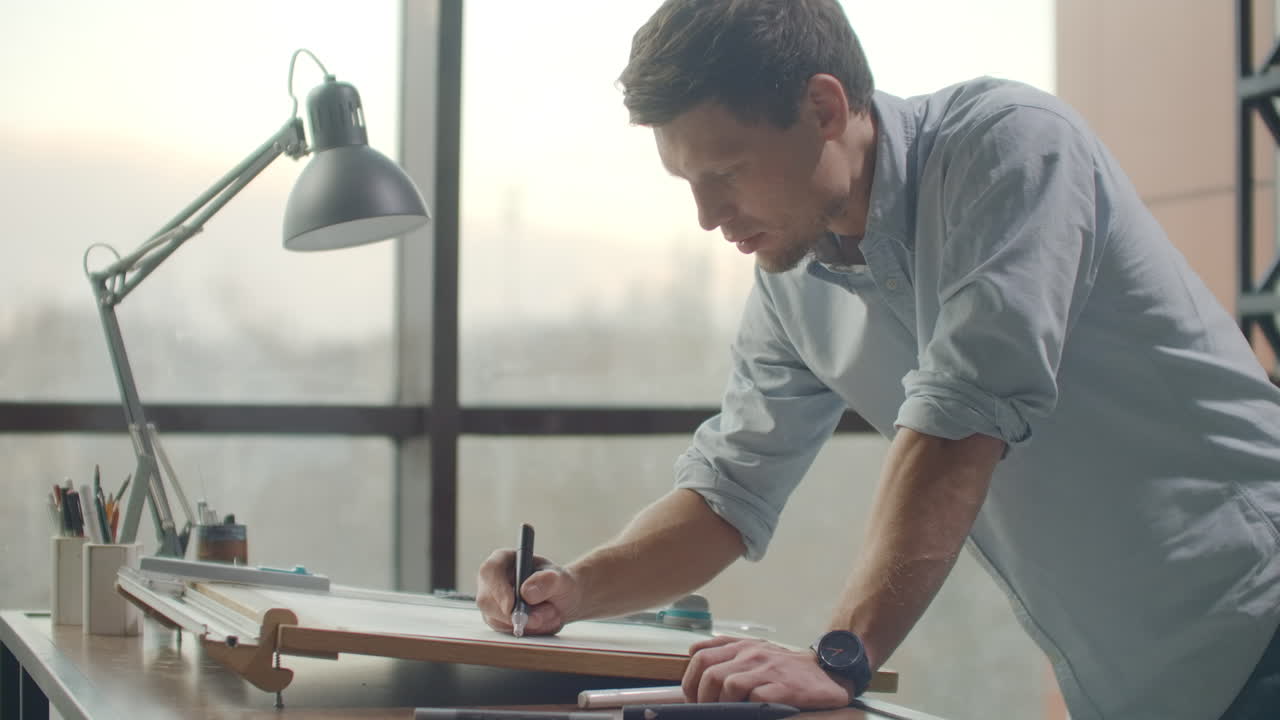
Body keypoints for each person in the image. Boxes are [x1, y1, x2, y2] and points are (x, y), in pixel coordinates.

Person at [474, 1, 1280, 718]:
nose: (708, 216)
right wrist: (574, 588)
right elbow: (728, 491)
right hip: (1134, 684)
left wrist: (839, 655)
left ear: (824, 107)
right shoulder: (792, 281)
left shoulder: (1011, 148)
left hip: (1260, 622)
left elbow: (960, 416)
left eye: (725, 173)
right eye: (687, 182)